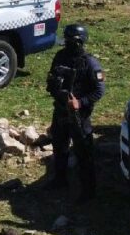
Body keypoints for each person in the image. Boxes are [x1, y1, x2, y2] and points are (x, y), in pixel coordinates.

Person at [44, 24, 105, 203]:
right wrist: (56, 90)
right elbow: (52, 79)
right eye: (67, 40)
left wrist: (80, 102)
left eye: (73, 41)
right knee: (59, 146)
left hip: (80, 116)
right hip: (61, 110)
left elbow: (99, 91)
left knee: (83, 153)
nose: (69, 44)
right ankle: (60, 180)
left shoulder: (90, 63)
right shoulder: (60, 57)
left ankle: (88, 191)